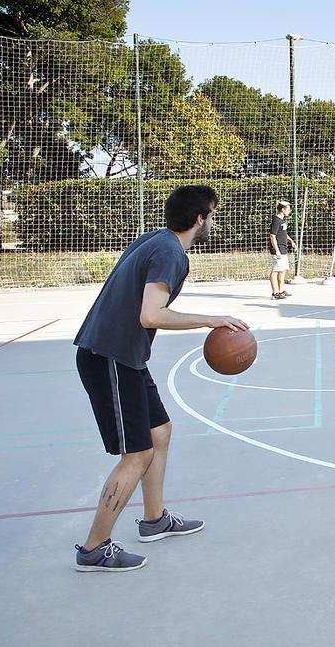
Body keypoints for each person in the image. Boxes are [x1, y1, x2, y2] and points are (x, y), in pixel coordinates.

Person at [72, 185, 250, 572]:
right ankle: (94, 548)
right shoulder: (171, 253)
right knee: (137, 453)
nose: (213, 221)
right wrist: (211, 319)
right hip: (109, 358)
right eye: (212, 215)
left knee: (160, 431)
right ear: (199, 219)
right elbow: (151, 315)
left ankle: (154, 520)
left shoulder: (156, 239)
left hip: (123, 356)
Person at [267, 200, 295, 300]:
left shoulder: (282, 220)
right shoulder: (276, 220)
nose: (289, 211)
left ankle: (281, 291)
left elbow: (283, 233)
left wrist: (291, 241)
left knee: (282, 270)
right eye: (288, 209)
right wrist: (277, 250)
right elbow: (272, 236)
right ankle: (275, 293)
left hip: (284, 248)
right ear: (282, 209)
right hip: (277, 249)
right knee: (275, 271)